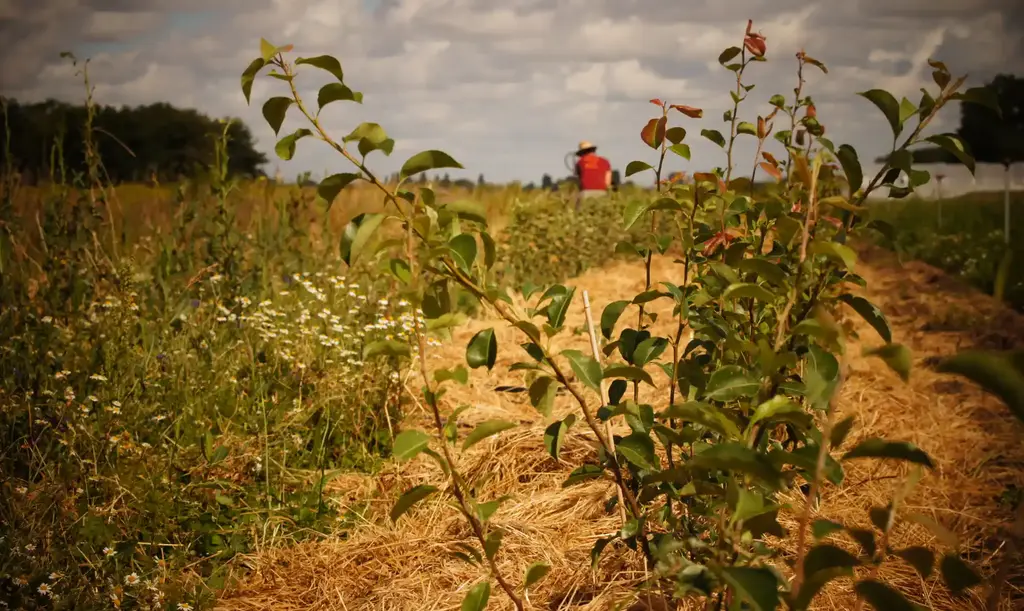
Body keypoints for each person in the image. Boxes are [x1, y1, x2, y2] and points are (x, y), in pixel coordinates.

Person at [573, 140, 611, 210]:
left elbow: (578, 181)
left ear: (582, 153)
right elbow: (607, 183)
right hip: (602, 192)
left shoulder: (580, 162)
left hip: (585, 192)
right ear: (593, 151)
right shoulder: (605, 161)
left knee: (580, 215)